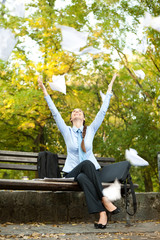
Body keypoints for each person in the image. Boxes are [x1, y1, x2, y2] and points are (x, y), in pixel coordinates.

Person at [38, 73, 119, 229]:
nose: (76, 112)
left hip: (89, 174)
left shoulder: (91, 130)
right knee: (85, 166)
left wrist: (109, 89)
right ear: (70, 118)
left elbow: (102, 112)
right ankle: (104, 199)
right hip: (71, 173)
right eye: (74, 112)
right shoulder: (66, 131)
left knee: (84, 176)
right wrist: (44, 90)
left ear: (83, 118)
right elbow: (54, 112)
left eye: (79, 112)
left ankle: (102, 213)